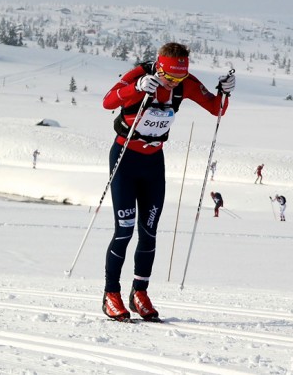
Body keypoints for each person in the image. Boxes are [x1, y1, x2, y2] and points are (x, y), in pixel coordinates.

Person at [101, 42, 236, 321]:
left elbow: (216, 108)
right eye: (170, 78)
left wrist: (225, 91)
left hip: (153, 163)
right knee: (125, 230)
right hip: (125, 157)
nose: (174, 83)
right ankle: (110, 294)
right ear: (160, 66)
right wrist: (136, 87)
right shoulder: (140, 74)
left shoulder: (184, 81)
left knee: (149, 231)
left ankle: (140, 292)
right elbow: (108, 102)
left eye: (180, 78)